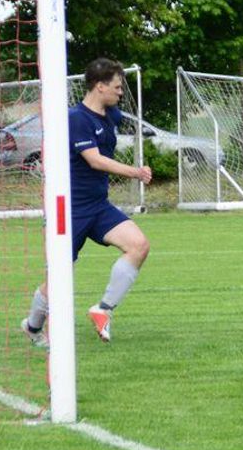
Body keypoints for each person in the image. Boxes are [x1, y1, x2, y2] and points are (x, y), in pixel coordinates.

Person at [21, 58, 152, 347]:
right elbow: (93, 161)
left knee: (139, 245)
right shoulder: (76, 119)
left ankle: (103, 309)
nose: (121, 92)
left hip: (98, 206)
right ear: (99, 86)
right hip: (70, 210)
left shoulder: (111, 116)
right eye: (117, 87)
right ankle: (32, 327)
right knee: (58, 279)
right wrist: (135, 172)